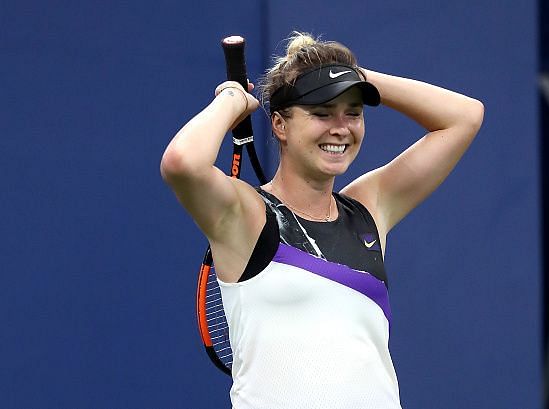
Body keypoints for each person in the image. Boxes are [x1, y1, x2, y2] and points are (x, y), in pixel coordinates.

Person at [160, 32, 483, 409]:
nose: (340, 127)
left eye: (353, 112)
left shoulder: (369, 209)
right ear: (280, 125)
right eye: (321, 113)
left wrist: (353, 76)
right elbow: (182, 162)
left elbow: (465, 117)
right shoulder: (246, 217)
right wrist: (233, 99)